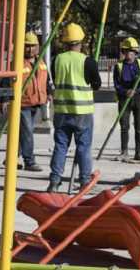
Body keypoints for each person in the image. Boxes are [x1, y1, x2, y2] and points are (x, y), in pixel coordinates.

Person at [48, 23, 101, 192]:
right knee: (84, 147)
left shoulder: (56, 60)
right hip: (82, 113)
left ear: (65, 42)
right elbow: (97, 85)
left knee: (60, 146)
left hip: (61, 112)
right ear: (81, 42)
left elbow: (55, 80)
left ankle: (54, 182)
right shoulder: (88, 61)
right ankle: (85, 182)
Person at [0, 31, 51, 172]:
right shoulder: (16, 63)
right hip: (22, 104)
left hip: (36, 102)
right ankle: (29, 161)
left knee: (23, 132)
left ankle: (12, 157)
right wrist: (4, 99)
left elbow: (46, 80)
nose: (30, 49)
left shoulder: (41, 62)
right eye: (27, 46)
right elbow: (5, 81)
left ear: (38, 47)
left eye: (32, 46)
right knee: (27, 131)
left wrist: (50, 93)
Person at [113, 37, 140, 162]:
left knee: (138, 127)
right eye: (126, 51)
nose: (128, 54)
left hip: (138, 98)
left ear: (135, 53)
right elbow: (117, 85)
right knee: (124, 126)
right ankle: (124, 152)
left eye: (131, 51)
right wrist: (125, 92)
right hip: (125, 99)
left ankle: (138, 152)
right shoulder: (119, 66)